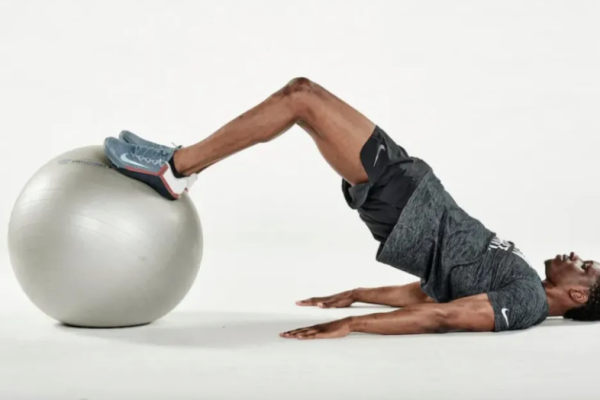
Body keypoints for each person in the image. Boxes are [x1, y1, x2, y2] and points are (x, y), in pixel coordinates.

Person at [104, 77, 600, 340]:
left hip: (405, 200)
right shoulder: (522, 284)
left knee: (301, 97)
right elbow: (430, 292)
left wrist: (355, 325)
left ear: (578, 294)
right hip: (409, 190)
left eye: (588, 266)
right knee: (302, 104)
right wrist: (358, 294)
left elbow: (447, 317)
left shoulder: (528, 304)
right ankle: (179, 162)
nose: (579, 255)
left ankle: (176, 167)